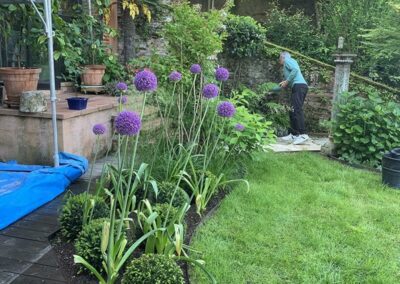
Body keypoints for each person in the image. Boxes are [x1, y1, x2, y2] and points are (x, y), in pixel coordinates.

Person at [278, 51, 309, 145]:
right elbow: (293, 73)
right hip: (298, 87)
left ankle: (303, 135)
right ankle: (294, 134)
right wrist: (285, 82)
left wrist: (286, 81)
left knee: (297, 109)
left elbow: (295, 70)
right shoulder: (291, 61)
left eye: (279, 58)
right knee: (292, 110)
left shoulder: (288, 60)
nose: (279, 61)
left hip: (299, 86)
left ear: (282, 57)